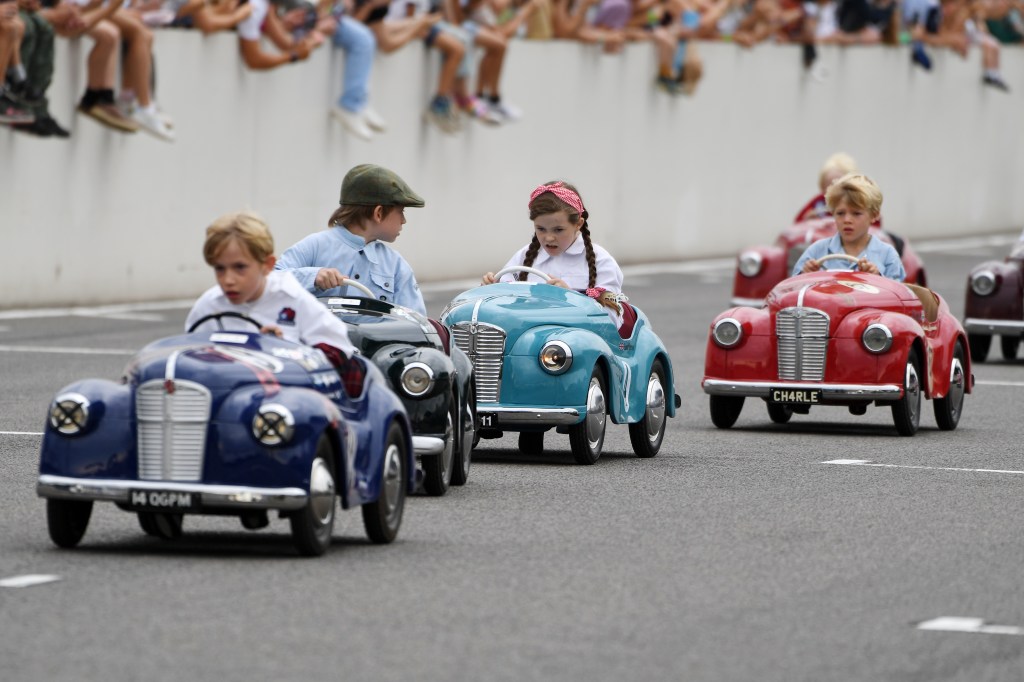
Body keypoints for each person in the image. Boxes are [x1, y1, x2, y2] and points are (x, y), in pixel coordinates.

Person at [186, 210, 359, 370]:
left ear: (267, 265)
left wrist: (285, 349)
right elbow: (190, 361)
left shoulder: (293, 299)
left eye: (240, 267)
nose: (228, 280)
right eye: (220, 269)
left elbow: (340, 354)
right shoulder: (208, 306)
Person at [275, 163, 429, 315]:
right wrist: (313, 276)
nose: (404, 220)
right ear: (379, 213)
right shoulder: (315, 245)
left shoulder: (396, 265)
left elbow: (416, 322)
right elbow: (270, 280)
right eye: (401, 211)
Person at [481, 180, 629, 330]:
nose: (548, 238)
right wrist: (493, 288)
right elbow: (506, 304)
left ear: (578, 224)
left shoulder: (601, 261)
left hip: (580, 341)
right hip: (532, 338)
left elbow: (612, 320)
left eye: (558, 230)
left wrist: (571, 298)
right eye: (541, 229)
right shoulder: (525, 256)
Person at [792, 173, 906, 280]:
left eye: (856, 213)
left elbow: (899, 294)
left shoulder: (887, 254)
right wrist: (805, 275)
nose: (847, 220)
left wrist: (878, 278)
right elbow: (793, 289)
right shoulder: (816, 251)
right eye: (840, 213)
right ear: (833, 214)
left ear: (874, 215)